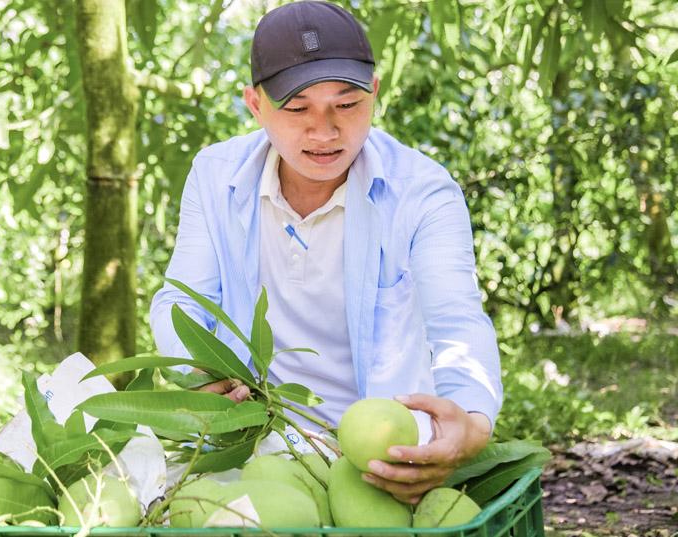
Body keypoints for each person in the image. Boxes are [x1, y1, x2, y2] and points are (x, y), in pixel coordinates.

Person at [149, 0, 502, 504]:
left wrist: (471, 424)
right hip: (252, 444)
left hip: (384, 458)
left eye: (348, 104)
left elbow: (458, 322)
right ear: (255, 104)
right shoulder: (215, 176)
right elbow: (180, 299)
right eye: (297, 108)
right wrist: (196, 371)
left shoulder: (422, 192)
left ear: (375, 93)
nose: (324, 130)